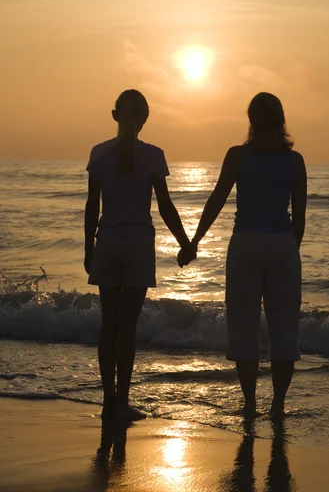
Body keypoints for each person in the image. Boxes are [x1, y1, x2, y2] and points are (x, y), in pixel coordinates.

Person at [180, 92, 307, 417]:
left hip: (246, 244)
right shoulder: (295, 161)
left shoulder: (237, 156)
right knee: (284, 329)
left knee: (243, 326)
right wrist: (289, 251)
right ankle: (277, 405)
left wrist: (194, 242)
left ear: (250, 120)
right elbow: (300, 220)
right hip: (282, 245)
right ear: (282, 120)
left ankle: (250, 403)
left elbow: (216, 200)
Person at [84, 89, 194, 421]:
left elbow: (92, 206)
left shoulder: (99, 154)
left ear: (115, 115)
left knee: (109, 325)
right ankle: (122, 401)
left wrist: (88, 246)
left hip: (108, 243)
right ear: (145, 118)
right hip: (138, 246)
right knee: (127, 328)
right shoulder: (154, 156)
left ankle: (108, 401)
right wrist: (185, 242)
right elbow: (165, 206)